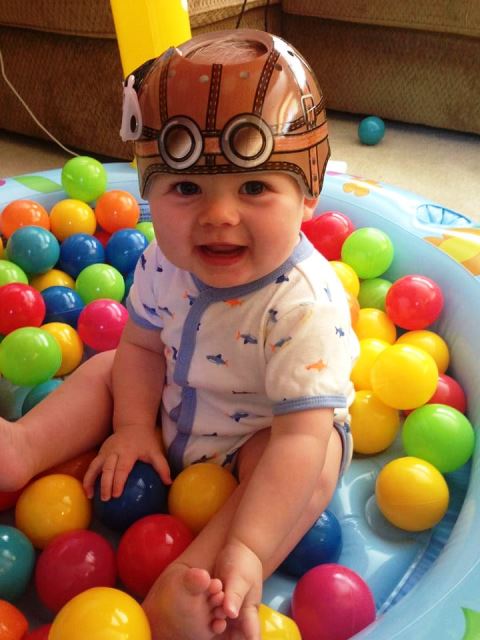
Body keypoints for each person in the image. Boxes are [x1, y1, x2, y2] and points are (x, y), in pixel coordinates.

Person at [0, 29, 359, 640]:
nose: (218, 215)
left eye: (254, 188)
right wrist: (134, 426)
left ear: (308, 196)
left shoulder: (304, 304)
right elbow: (141, 346)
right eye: (186, 188)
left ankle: (207, 575)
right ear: (149, 192)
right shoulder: (164, 259)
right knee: (107, 364)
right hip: (171, 402)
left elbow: (299, 438)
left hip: (263, 434)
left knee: (312, 459)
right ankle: (24, 448)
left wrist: (248, 546)